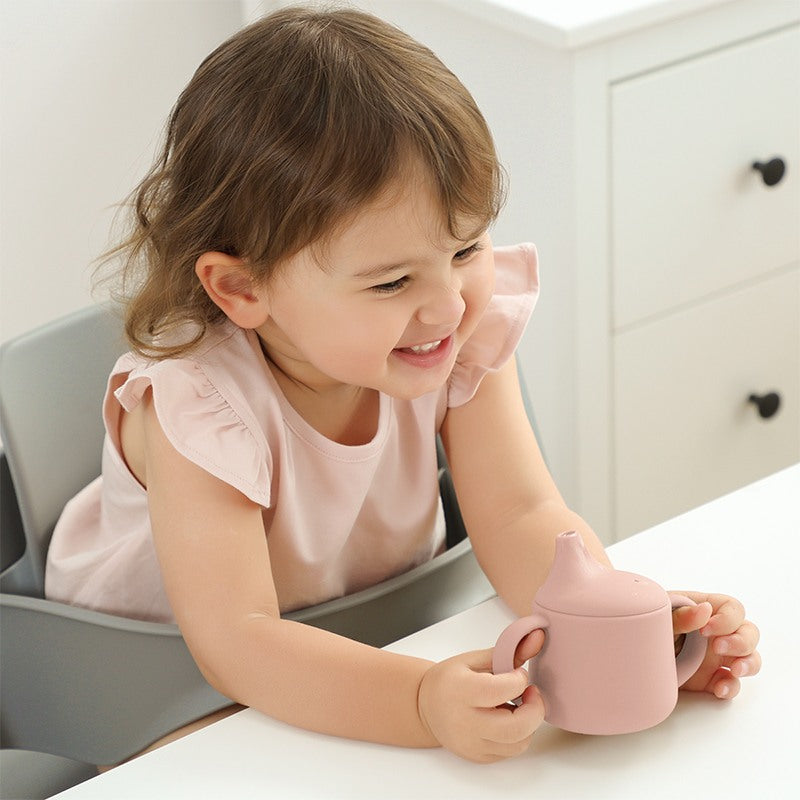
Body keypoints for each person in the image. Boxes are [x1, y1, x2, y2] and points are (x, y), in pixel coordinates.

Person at [45, 5, 760, 764]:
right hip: (157, 692)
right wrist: (421, 703)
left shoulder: (450, 336)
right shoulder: (198, 409)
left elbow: (521, 514)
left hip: (365, 645)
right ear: (242, 288)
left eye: (465, 249)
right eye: (390, 282)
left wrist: (624, 640)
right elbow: (237, 644)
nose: (447, 305)